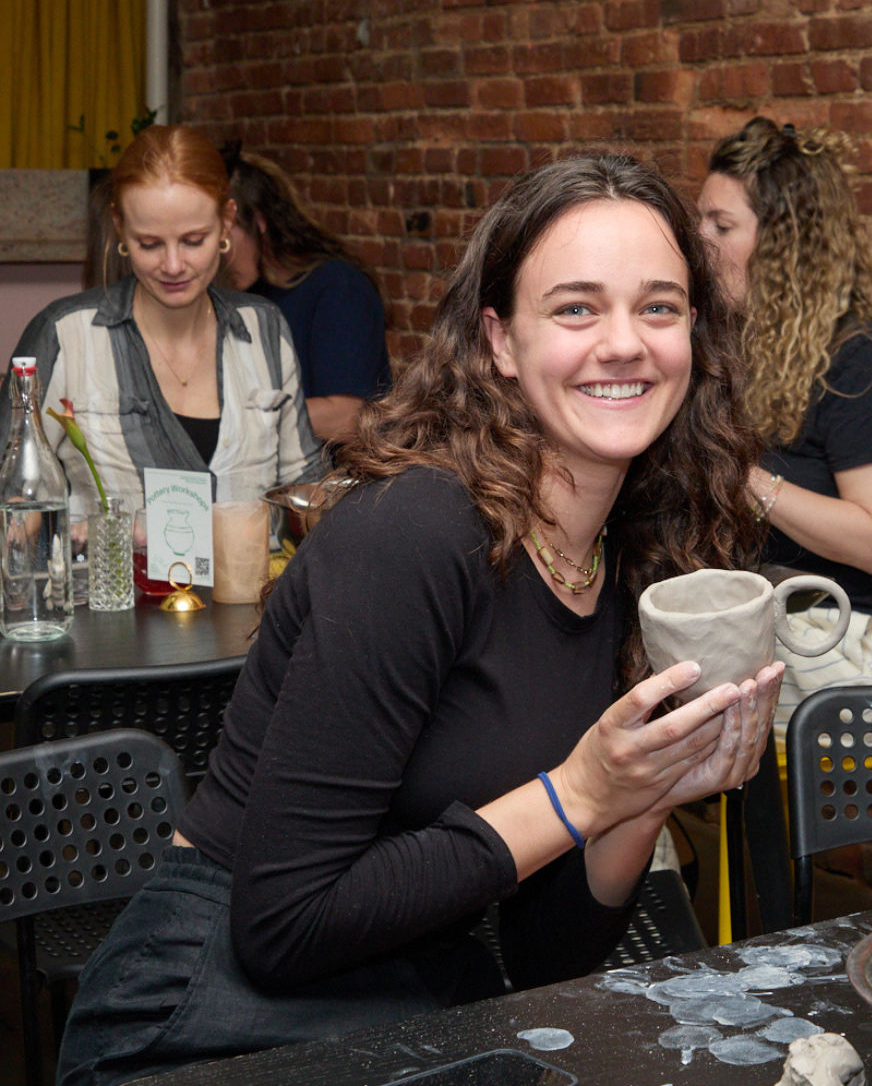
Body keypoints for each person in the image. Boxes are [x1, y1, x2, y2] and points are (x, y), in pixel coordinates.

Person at [56, 154, 781, 1085]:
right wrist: (576, 795)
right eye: (575, 307)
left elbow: (546, 958)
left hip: (415, 1001)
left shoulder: (624, 554)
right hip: (197, 1022)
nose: (624, 343)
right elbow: (281, 925)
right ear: (500, 341)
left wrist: (641, 795)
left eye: (658, 307)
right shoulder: (417, 531)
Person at [699, 119, 872, 732]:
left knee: (646, 693)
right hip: (784, 616)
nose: (698, 241)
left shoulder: (861, 360)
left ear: (783, 241)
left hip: (854, 643)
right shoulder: (746, 346)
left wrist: (740, 475)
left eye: (720, 226)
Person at [0, 125, 324, 509]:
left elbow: (307, 494)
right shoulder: (64, 335)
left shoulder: (265, 329)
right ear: (120, 227)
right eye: (149, 244)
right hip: (111, 572)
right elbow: (13, 498)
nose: (173, 265)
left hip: (256, 571)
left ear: (226, 221)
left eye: (193, 240)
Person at [221, 142, 392, 444]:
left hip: (334, 483)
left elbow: (348, 416)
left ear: (259, 222)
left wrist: (229, 418)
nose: (217, 253)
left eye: (223, 236)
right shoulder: (250, 295)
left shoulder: (338, 287)